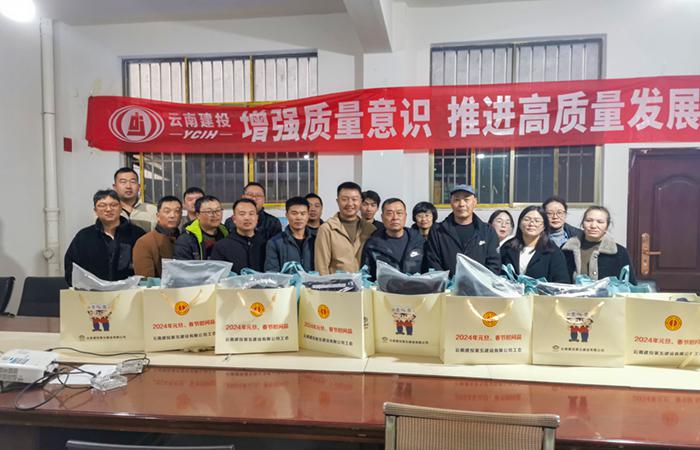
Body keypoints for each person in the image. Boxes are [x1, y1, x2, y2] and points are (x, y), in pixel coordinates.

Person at [64, 190, 145, 286]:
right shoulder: (84, 236)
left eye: (113, 205)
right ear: (95, 211)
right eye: (102, 205)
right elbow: (71, 267)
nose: (108, 209)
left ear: (121, 208)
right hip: (93, 292)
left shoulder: (137, 234)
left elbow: (145, 267)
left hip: (130, 291)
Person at [424, 184, 500, 276]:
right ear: (451, 203)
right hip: (447, 284)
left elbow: (494, 265)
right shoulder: (438, 231)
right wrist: (448, 282)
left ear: (475, 202)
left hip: (480, 284)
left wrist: (479, 282)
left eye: (466, 200)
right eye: (457, 200)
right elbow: (433, 262)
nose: (461, 204)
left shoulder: (487, 231)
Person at [562, 206, 636, 283]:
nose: (593, 226)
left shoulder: (619, 252)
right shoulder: (567, 250)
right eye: (588, 220)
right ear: (582, 224)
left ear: (607, 226)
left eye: (600, 222)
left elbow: (630, 283)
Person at [315, 181, 376, 275]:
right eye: (344, 199)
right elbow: (321, 267)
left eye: (354, 199)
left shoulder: (369, 229)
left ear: (360, 201)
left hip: (363, 283)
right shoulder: (327, 229)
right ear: (337, 201)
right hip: (336, 284)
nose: (350, 203)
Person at [500, 206, 570, 283]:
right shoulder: (507, 247)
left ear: (544, 226)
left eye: (537, 221)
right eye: (527, 219)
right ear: (519, 223)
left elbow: (562, 282)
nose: (531, 223)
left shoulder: (553, 252)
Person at [362, 198, 425, 281]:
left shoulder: (419, 241)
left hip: (416, 288)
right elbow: (366, 276)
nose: (395, 217)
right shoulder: (373, 245)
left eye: (399, 213)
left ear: (405, 216)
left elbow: (429, 271)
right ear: (382, 217)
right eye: (389, 213)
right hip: (384, 289)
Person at [211, 199, 266, 273]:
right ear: (234, 219)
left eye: (251, 214)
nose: (247, 218)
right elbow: (217, 274)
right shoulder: (221, 246)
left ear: (257, 218)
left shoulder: (266, 243)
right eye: (242, 214)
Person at [133, 195, 182, 278]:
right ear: (158, 216)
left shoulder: (184, 239)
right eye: (167, 211)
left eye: (177, 211)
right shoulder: (145, 242)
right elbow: (146, 280)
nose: (172, 215)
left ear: (181, 216)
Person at [265, 197, 315, 272]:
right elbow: (272, 273)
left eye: (303, 214)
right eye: (294, 213)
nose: (299, 217)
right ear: (286, 215)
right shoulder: (274, 243)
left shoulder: (315, 241)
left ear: (308, 215)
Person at [173, 195, 228, 260]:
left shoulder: (226, 234)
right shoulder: (186, 240)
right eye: (209, 211)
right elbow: (182, 265)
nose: (215, 215)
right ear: (198, 215)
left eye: (218, 210)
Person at [112, 167, 157, 232]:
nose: (128, 186)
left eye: (133, 182)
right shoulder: (107, 210)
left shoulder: (153, 210)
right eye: (123, 182)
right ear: (115, 187)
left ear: (139, 187)